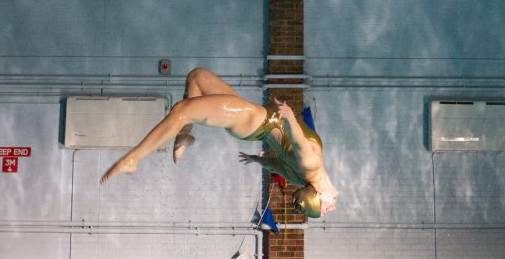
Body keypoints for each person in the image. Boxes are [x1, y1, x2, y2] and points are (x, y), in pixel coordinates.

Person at [100, 67, 338, 218]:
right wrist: (256, 160)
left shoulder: (310, 165)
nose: (332, 207)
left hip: (254, 120)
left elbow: (298, 143)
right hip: (255, 123)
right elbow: (277, 166)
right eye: (327, 208)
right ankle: (185, 135)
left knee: (182, 111)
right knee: (197, 77)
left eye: (327, 207)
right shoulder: (301, 178)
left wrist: (288, 116)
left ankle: (134, 159)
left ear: (317, 192)